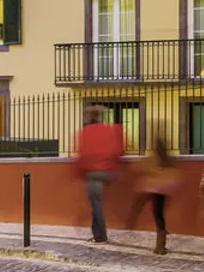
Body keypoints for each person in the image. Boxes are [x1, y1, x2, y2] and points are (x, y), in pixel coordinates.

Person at [72, 105, 123, 243]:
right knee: (98, 202)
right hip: (108, 171)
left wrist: (77, 173)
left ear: (89, 117)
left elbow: (81, 155)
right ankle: (98, 233)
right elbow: (117, 150)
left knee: (96, 204)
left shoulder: (84, 132)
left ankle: (100, 236)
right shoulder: (109, 130)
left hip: (94, 173)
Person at [127, 126, 178, 254]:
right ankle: (161, 241)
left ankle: (160, 244)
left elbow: (140, 168)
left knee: (154, 213)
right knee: (158, 214)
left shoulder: (154, 158)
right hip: (162, 190)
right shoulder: (168, 159)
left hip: (154, 190)